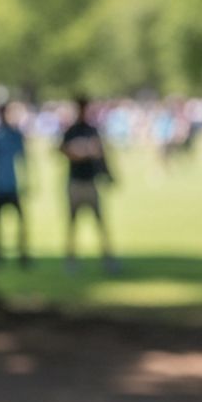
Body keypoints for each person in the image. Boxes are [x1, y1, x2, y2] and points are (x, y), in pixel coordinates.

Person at [59, 97, 118, 273]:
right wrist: (81, 152)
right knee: (72, 224)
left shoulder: (92, 130)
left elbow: (100, 152)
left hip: (90, 181)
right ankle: (71, 260)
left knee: (100, 223)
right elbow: (63, 150)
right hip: (75, 182)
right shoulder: (72, 130)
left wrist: (107, 173)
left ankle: (108, 259)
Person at [0, 105, 29, 267]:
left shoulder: (14, 135)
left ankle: (22, 252)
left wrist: (27, 181)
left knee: (20, 220)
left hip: (12, 184)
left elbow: (24, 159)